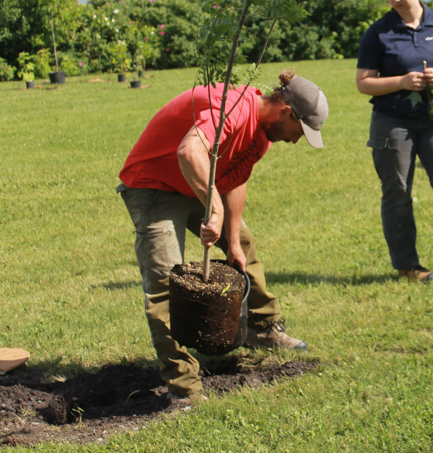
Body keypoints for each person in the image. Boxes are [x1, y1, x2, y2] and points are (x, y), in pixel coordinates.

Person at [117, 69, 328, 399]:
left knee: (243, 244)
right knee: (165, 281)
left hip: (194, 183)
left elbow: (236, 178)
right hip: (155, 186)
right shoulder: (232, 107)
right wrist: (213, 208)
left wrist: (232, 240)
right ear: (285, 111)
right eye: (298, 131)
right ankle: (183, 385)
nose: (295, 140)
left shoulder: (263, 132)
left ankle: (262, 329)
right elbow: (190, 151)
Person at [357, 0, 433, 282]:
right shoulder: (378, 32)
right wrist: (401, 81)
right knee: (398, 191)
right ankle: (408, 267)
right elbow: (363, 82)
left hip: (431, 118)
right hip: (393, 121)